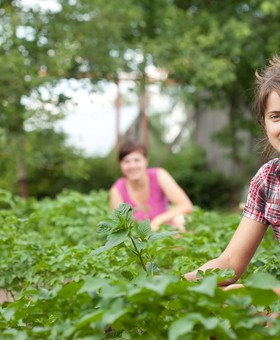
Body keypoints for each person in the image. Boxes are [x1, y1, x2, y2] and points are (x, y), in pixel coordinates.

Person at [184, 56, 280, 296]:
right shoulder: (268, 180)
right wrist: (170, 287)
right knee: (220, 306)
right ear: (264, 124)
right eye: (276, 116)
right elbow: (230, 263)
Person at [110, 141, 193, 232]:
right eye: (127, 161)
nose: (132, 166)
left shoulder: (159, 175)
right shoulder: (117, 190)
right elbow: (119, 227)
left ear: (146, 161)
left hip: (165, 232)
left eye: (137, 160)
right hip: (139, 239)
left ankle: (182, 246)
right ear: (120, 164)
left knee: (180, 219)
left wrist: (157, 221)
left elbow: (186, 205)